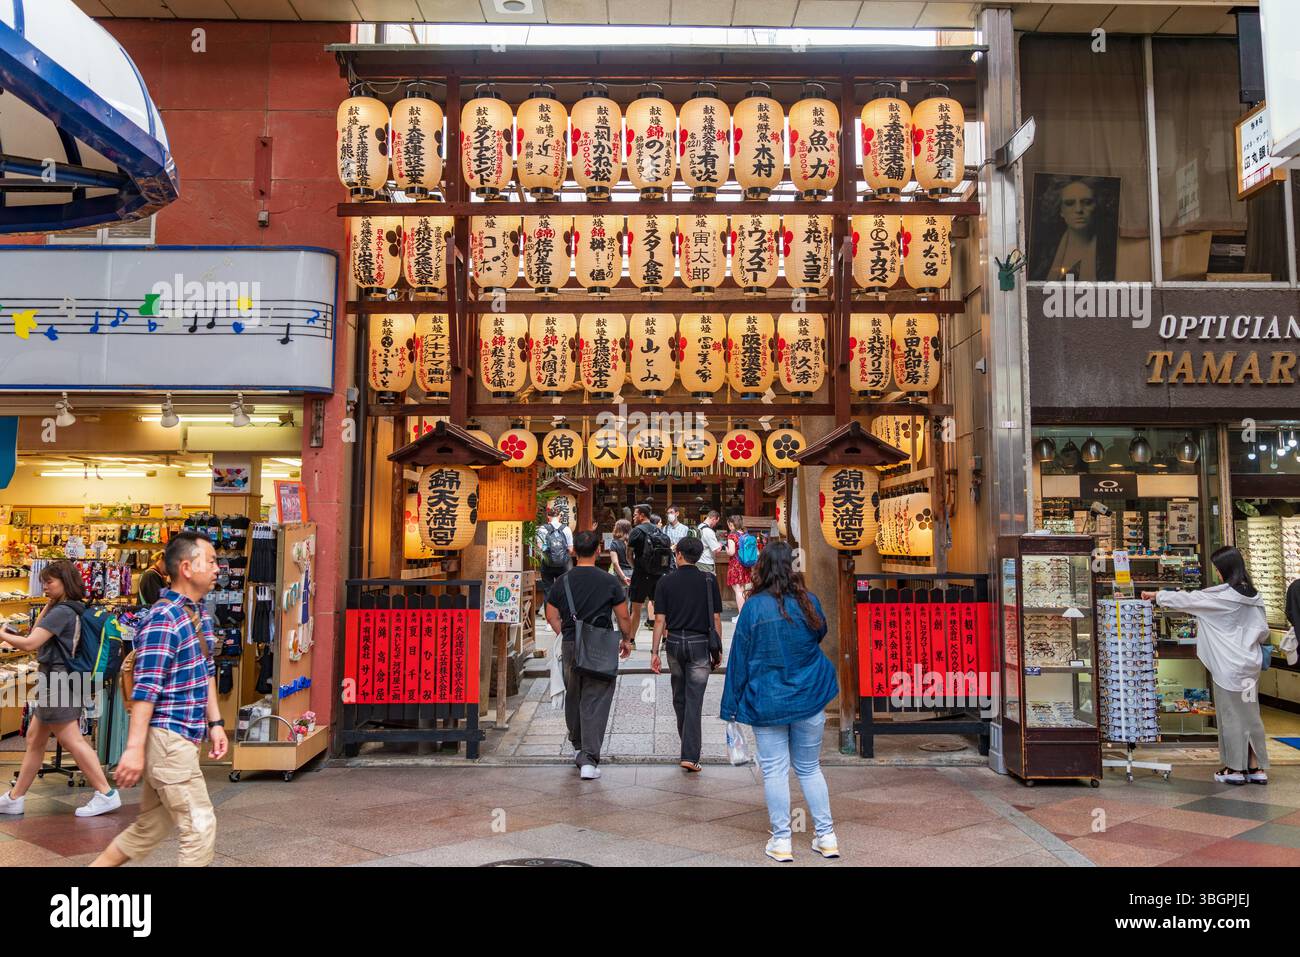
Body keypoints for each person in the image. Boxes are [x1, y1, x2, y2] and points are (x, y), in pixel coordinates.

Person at [91, 531, 228, 867]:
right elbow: (146, 688)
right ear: (186, 567)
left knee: (150, 826)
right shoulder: (162, 619)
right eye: (209, 561)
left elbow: (206, 672)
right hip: (168, 739)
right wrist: (134, 748)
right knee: (200, 825)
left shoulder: (198, 614)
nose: (217, 569)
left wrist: (216, 724)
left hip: (182, 736)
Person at [721, 541, 838, 862]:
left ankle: (783, 840)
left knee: (774, 771)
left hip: (767, 699)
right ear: (791, 568)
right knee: (809, 767)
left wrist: (730, 708)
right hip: (810, 697)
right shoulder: (808, 601)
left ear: (761, 568)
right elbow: (819, 635)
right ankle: (827, 837)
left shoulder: (753, 608)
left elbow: (739, 660)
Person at [1142, 545, 1271, 786]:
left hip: (1228, 667)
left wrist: (1157, 596)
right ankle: (1256, 767)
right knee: (1250, 715)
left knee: (1231, 716)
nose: (1217, 574)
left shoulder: (1224, 599)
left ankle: (1234, 768)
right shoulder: (1253, 596)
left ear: (1225, 569)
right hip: (1249, 664)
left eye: (1217, 569)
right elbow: (1262, 631)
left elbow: (1191, 599)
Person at [0, 561, 121, 818]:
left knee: (72, 739)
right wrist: (49, 601)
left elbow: (30, 642)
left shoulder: (62, 612)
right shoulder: (70, 609)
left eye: (50, 582)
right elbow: (37, 631)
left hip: (58, 681)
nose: (44, 585)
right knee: (35, 739)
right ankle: (15, 798)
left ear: (65, 582)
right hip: (58, 680)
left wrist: (3, 635)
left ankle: (106, 794)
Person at [545, 530, 634, 780]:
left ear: (573, 551)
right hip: (600, 646)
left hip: (571, 643)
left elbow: (551, 615)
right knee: (596, 699)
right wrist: (626, 639)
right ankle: (589, 758)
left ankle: (578, 747)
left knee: (574, 695)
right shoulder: (609, 582)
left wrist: (567, 633)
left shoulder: (562, 581)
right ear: (598, 550)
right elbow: (623, 615)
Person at [651, 536, 723, 772]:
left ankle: (688, 749)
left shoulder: (665, 581)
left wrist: (654, 652)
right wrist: (718, 647)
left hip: (674, 643)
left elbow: (659, 619)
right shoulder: (708, 579)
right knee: (694, 699)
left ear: (679, 554)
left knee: (679, 697)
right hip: (700, 643)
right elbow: (715, 618)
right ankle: (690, 754)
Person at [627, 503, 672, 644]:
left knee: (636, 609)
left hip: (640, 574)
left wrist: (636, 566)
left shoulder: (636, 531)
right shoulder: (658, 530)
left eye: (635, 514)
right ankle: (665, 640)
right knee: (660, 609)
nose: (633, 517)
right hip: (658, 574)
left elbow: (628, 555)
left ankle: (631, 640)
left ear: (642, 515)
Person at [535, 504, 574, 608]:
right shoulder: (566, 529)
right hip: (563, 565)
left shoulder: (542, 529)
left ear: (548, 516)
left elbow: (539, 548)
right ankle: (562, 616)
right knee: (564, 589)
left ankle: (549, 620)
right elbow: (570, 549)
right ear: (560, 516)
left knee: (548, 590)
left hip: (547, 563)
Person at [723, 515, 755, 613]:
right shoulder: (745, 534)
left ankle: (741, 615)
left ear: (731, 524)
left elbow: (732, 552)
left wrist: (726, 549)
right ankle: (746, 613)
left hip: (736, 565)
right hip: (746, 565)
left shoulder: (732, 535)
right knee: (744, 590)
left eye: (729, 524)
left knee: (738, 591)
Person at [697, 510, 724, 577]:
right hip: (706, 563)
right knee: (708, 584)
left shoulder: (699, 527)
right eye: (716, 522)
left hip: (698, 561)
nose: (715, 525)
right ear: (713, 519)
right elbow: (716, 550)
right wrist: (720, 544)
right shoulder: (708, 531)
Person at [609, 519, 633, 591]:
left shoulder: (614, 543)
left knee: (619, 599)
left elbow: (615, 563)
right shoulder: (633, 543)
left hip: (619, 573)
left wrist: (623, 577)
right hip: (632, 572)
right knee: (631, 600)